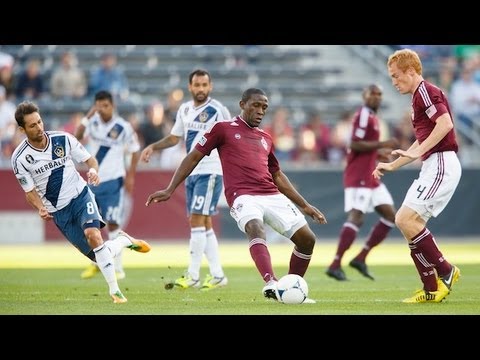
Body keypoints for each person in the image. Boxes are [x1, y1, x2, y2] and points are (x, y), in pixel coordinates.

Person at [145, 88, 327, 302]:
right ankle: (271, 282)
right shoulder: (223, 129)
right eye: (256, 105)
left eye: (264, 107)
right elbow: (193, 156)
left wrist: (305, 206)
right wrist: (170, 188)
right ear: (242, 105)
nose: (261, 111)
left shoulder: (266, 138)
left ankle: (289, 291)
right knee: (255, 227)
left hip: (270, 194)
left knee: (307, 240)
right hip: (243, 195)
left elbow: (277, 175)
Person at [11, 101, 150, 303]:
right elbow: (29, 191)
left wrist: (93, 171)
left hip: (81, 195)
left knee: (93, 235)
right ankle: (123, 241)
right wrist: (40, 207)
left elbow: (90, 160)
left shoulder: (63, 139)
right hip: (58, 211)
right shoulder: (20, 158)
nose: (39, 128)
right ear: (22, 129)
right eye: (32, 125)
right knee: (98, 256)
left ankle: (115, 291)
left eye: (40, 122)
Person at [373, 48, 461, 303]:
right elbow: (421, 141)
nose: (393, 81)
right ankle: (432, 289)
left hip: (442, 162)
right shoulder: (417, 98)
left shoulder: (426, 92)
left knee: (407, 220)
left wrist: (419, 151)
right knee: (406, 223)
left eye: (396, 76)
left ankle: (446, 271)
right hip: (432, 163)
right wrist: (393, 164)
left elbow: (445, 125)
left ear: (411, 72)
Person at [141, 69, 230, 290]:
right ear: (190, 87)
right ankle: (217, 275)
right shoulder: (185, 109)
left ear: (210, 87)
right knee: (203, 222)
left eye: (204, 85)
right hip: (191, 171)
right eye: (197, 85)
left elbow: (232, 137)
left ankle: (192, 275)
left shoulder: (218, 110)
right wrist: (153, 146)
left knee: (198, 221)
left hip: (210, 170)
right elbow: (174, 137)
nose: (200, 89)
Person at [326, 84, 399, 281]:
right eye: (372, 94)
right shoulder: (363, 115)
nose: (376, 97)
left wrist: (378, 153)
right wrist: (383, 144)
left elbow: (364, 147)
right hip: (358, 174)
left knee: (392, 216)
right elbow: (354, 144)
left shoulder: (373, 117)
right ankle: (335, 264)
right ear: (364, 96)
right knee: (356, 216)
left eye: (379, 94)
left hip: (370, 174)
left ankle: (360, 258)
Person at [75, 90, 141, 280]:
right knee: (90, 224)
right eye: (99, 106)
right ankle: (96, 262)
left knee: (112, 223)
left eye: (106, 106)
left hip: (113, 181)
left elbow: (135, 151)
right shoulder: (93, 123)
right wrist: (88, 115)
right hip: (94, 180)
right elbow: (77, 136)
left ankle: (118, 268)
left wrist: (130, 176)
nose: (102, 110)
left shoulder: (123, 127)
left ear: (113, 106)